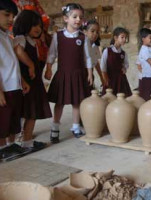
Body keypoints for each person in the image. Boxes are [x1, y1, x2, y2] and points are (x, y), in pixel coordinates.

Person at [45, 3, 93, 143]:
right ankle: (55, 128)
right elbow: (52, 54)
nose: (78, 19)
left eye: (80, 17)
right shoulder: (58, 36)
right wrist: (48, 68)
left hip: (78, 74)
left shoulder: (83, 38)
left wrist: (89, 74)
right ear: (66, 19)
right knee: (59, 102)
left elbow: (88, 57)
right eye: (74, 16)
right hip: (63, 74)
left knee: (76, 102)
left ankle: (76, 127)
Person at [13, 10, 52, 151]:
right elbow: (18, 52)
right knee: (27, 113)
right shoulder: (20, 38)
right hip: (26, 83)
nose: (38, 29)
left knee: (32, 114)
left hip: (34, 82)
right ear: (24, 24)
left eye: (40, 26)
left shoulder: (32, 41)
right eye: (34, 25)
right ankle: (20, 142)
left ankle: (27, 142)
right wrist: (30, 65)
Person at [0, 0, 33, 160]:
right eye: (6, 15)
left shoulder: (6, 36)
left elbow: (12, 63)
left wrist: (22, 81)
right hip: (3, 88)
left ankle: (11, 145)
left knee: (13, 120)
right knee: (3, 121)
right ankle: (3, 148)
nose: (11, 19)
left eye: (13, 16)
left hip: (14, 85)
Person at [100, 27, 131, 97]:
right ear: (115, 38)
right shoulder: (107, 51)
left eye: (125, 38)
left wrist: (125, 68)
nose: (124, 40)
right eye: (122, 37)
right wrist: (106, 79)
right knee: (109, 99)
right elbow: (103, 67)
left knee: (122, 99)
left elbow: (126, 64)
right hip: (110, 79)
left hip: (121, 80)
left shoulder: (123, 53)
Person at [82, 19, 104, 88]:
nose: (95, 34)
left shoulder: (95, 46)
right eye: (92, 31)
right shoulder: (82, 46)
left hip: (90, 75)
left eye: (97, 32)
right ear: (85, 32)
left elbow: (96, 62)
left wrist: (101, 77)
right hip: (82, 74)